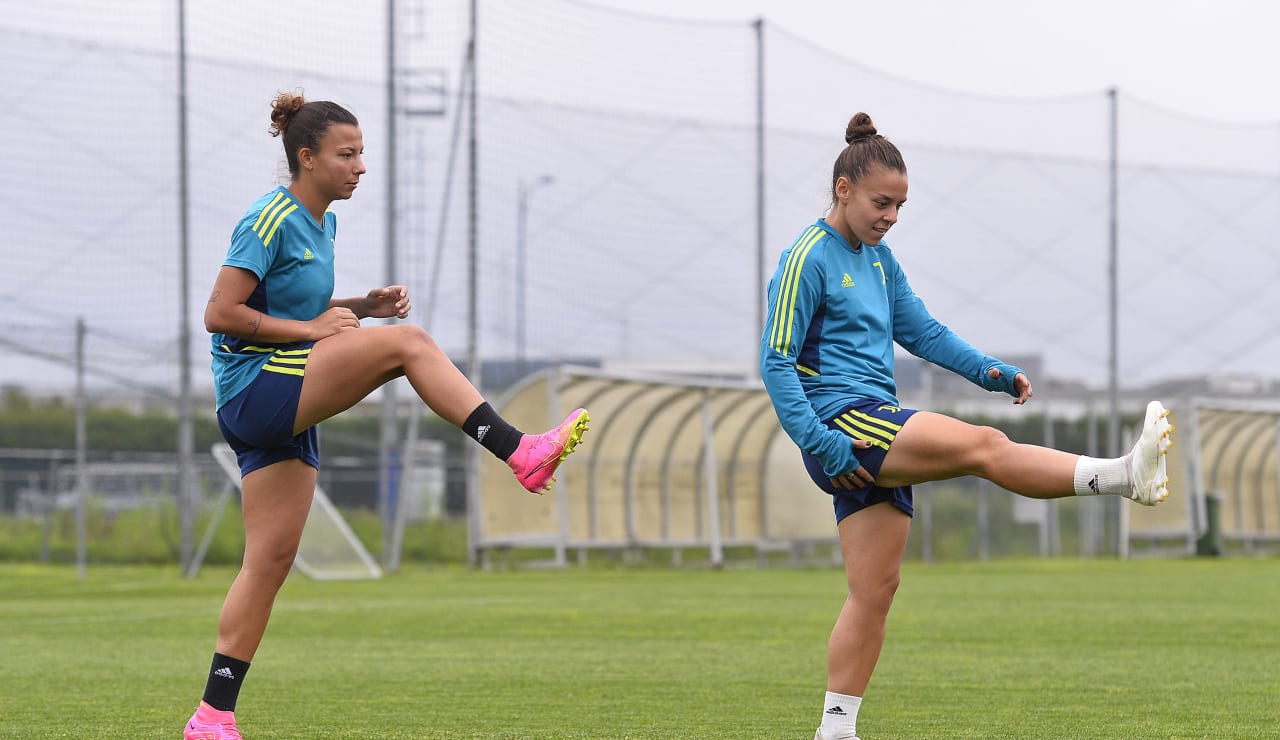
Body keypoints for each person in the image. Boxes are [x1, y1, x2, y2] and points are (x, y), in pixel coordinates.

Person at [183, 90, 590, 740]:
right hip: (255, 390)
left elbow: (301, 308)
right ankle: (520, 451)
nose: (361, 166)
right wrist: (314, 328)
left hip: (277, 396)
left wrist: (361, 308)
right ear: (307, 157)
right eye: (348, 154)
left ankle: (212, 716)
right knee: (411, 345)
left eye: (363, 153)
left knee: (268, 563)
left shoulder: (324, 223)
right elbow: (220, 313)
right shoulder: (269, 217)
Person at [759, 112, 1174, 740]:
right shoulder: (807, 258)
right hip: (843, 424)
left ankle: (834, 731)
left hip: (868, 428)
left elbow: (921, 330)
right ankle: (1121, 475)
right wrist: (820, 442)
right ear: (843, 190)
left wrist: (990, 372)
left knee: (875, 591)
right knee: (984, 446)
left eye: (900, 206)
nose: (890, 216)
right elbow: (776, 361)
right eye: (881, 202)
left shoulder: (879, 260)